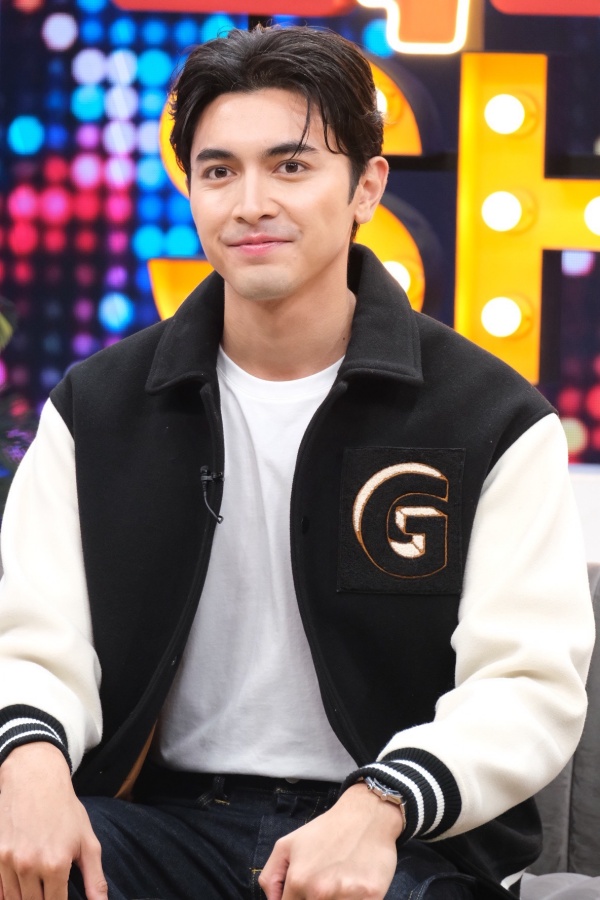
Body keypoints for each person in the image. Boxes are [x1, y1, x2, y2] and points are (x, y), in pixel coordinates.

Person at [0, 24, 594, 900]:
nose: (251, 203)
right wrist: (29, 769)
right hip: (161, 824)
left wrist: (382, 802)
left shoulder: (492, 417)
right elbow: (31, 640)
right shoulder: (97, 408)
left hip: (396, 836)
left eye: (290, 165)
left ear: (366, 188)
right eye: (218, 171)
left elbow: (525, 684)